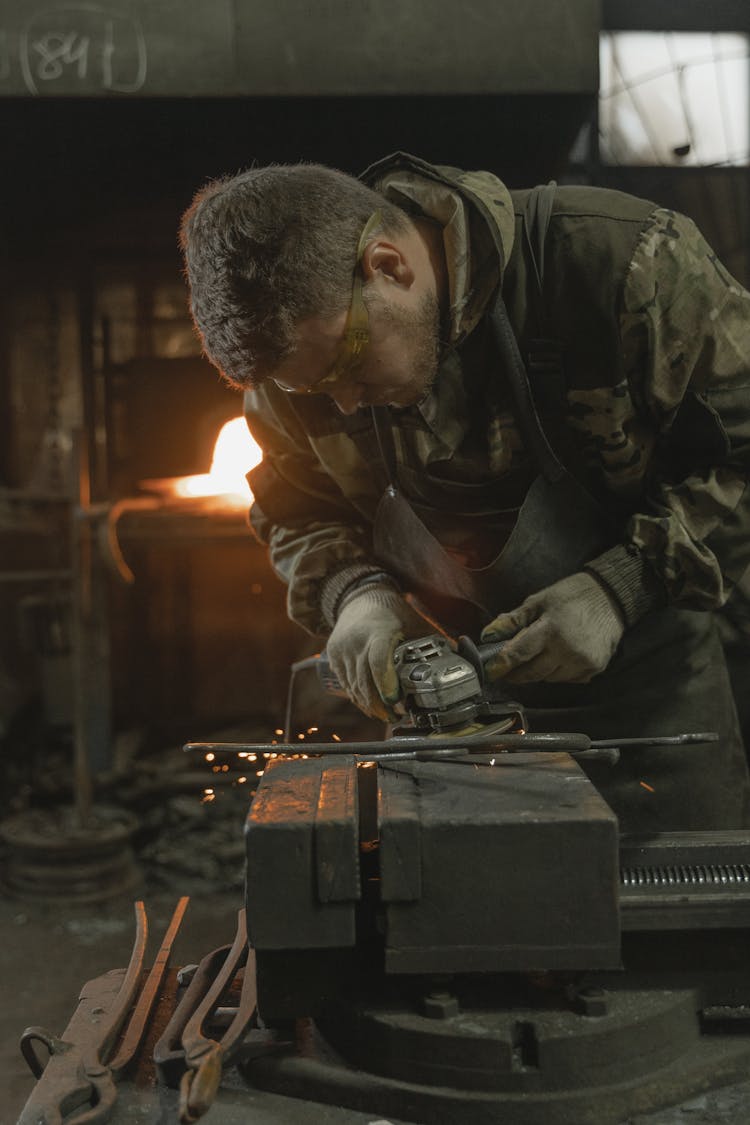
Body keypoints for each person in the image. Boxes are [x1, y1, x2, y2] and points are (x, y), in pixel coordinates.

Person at [180, 152, 750, 833]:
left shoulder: (619, 265)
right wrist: (356, 593)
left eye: (348, 366)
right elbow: (297, 509)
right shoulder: (302, 352)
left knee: (681, 926)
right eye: (316, 390)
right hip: (456, 720)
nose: (346, 401)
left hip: (656, 697)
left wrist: (623, 586)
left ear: (389, 265)